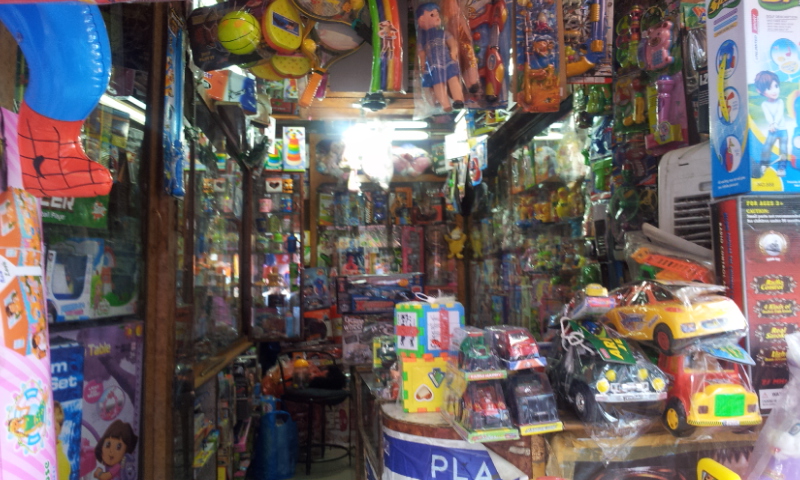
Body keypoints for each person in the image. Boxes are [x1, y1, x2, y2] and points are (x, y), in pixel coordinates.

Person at [755, 71, 790, 177]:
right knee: (766, 147)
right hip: (772, 130)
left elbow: (779, 113)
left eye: (776, 86)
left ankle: (781, 168)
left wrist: (775, 123)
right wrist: (771, 124)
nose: (774, 90)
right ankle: (764, 164)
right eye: (769, 88)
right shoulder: (764, 104)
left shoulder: (780, 102)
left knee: (783, 149)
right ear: (760, 91)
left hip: (782, 130)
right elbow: (768, 115)